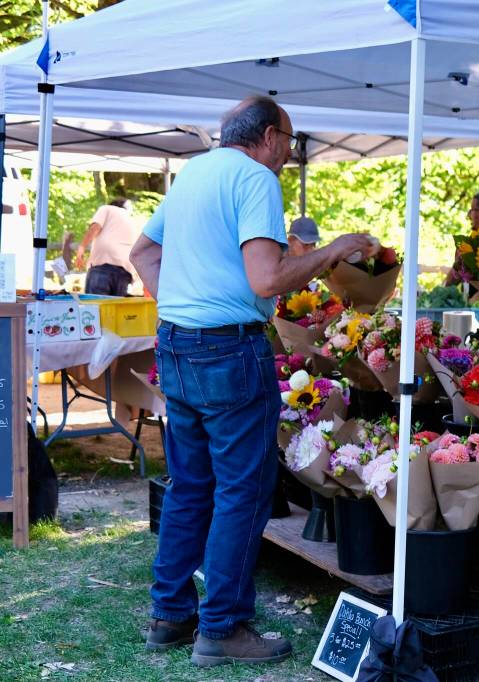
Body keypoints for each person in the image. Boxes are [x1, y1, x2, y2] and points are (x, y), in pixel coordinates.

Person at [129, 96, 378, 668]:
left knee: (191, 485)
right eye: (289, 140)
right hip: (228, 348)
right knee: (242, 491)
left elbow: (143, 252)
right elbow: (267, 279)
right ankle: (221, 628)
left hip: (177, 342)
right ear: (267, 135)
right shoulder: (256, 178)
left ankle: (169, 615)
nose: (291, 153)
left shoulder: (195, 171)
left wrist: (181, 303)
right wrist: (334, 250)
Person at [76, 197, 142, 296]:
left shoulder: (107, 208)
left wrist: (81, 249)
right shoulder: (134, 221)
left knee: (95, 307)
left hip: (103, 265)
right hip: (125, 272)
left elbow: (95, 228)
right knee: (116, 309)